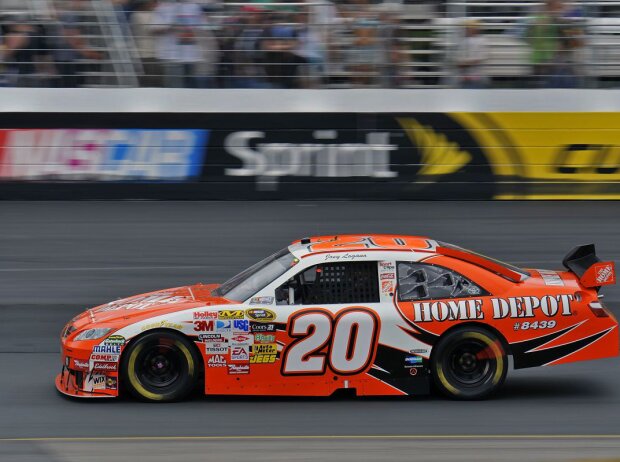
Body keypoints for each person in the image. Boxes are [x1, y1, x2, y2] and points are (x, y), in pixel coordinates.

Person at [152, 0, 207, 88]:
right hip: (172, 56)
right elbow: (154, 29)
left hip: (191, 56)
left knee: (191, 90)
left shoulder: (195, 7)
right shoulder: (163, 7)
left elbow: (203, 27)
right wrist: (169, 27)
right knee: (174, 89)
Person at [524, 0, 564, 88]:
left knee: (541, 85)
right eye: (557, 8)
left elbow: (530, 38)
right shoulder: (544, 19)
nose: (559, 10)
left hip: (543, 58)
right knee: (542, 85)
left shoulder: (543, 19)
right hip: (544, 58)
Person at [131, 0, 163, 86]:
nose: (155, 5)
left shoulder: (154, 13)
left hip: (155, 52)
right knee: (149, 79)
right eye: (152, 2)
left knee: (157, 78)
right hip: (144, 53)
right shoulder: (137, 15)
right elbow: (150, 29)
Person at [454, 20, 489, 89]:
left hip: (476, 79)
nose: (466, 30)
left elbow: (479, 59)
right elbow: (458, 59)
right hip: (464, 79)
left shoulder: (482, 41)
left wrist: (464, 64)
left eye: (468, 28)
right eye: (466, 28)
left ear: (475, 29)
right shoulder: (463, 41)